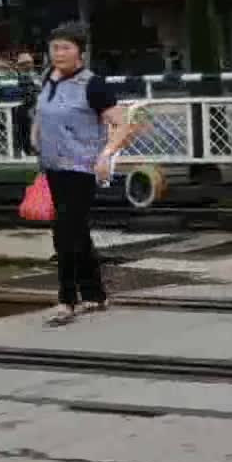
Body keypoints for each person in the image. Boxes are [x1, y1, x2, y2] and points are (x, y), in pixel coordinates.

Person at [32, 23, 138, 324]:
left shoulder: (93, 85)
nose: (59, 53)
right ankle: (95, 294)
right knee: (76, 231)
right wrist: (35, 134)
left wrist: (106, 154)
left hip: (81, 168)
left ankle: (67, 299)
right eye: (54, 47)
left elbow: (122, 125)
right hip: (53, 166)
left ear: (80, 51)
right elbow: (43, 112)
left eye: (66, 47)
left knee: (63, 230)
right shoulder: (48, 79)